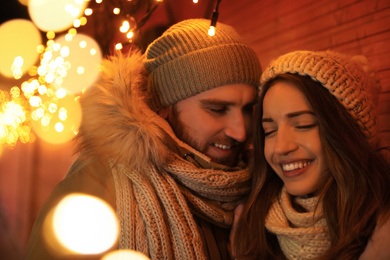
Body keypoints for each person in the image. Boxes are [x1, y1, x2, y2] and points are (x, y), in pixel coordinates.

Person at [24, 18, 262, 260]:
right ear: (163, 107)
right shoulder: (95, 191)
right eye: (217, 109)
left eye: (247, 108)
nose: (240, 131)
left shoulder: (259, 190)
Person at [231, 50, 390, 259]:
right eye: (269, 131)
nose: (280, 147)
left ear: (346, 131)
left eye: (303, 125)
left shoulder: (382, 227)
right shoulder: (250, 225)